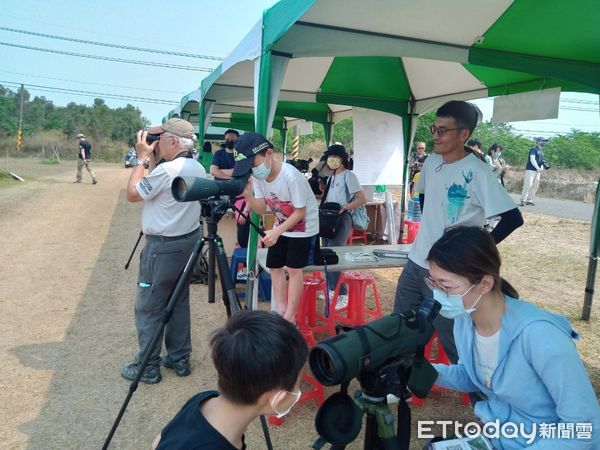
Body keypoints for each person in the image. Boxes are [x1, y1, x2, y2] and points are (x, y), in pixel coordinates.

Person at [427, 226, 600, 449]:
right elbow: (476, 375)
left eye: (446, 286)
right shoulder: (465, 320)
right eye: (433, 283)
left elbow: (586, 428)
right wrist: (423, 372)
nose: (438, 295)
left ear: (485, 284)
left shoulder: (541, 336)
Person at [393, 100, 523, 364]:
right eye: (434, 129)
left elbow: (513, 218)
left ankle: (481, 397)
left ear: (464, 134)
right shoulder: (430, 163)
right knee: (401, 330)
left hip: (450, 274)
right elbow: (428, 200)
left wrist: (475, 249)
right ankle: (400, 384)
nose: (435, 136)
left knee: (455, 342)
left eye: (443, 130)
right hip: (417, 262)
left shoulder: (478, 172)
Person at [121, 118, 206, 384]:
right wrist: (153, 158)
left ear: (171, 141)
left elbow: (133, 194)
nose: (154, 144)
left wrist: (140, 159)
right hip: (188, 242)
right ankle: (179, 358)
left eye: (159, 139)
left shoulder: (167, 171)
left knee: (149, 306)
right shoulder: (198, 167)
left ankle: (147, 366)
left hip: (162, 247)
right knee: (177, 301)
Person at [152, 310, 309, 449]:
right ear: (278, 398)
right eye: (297, 385)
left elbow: (157, 443)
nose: (298, 391)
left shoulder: (203, 400)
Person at [234, 132, 319, 322]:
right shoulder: (258, 177)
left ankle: (290, 314)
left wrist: (277, 231)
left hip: (303, 227)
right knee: (274, 265)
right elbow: (261, 209)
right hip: (282, 224)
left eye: (254, 164)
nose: (253, 170)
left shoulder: (290, 176)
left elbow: (300, 212)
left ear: (269, 154)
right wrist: (248, 196)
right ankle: (280, 309)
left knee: (294, 269)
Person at [320, 144, 367, 307]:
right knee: (326, 253)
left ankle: (342, 293)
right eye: (328, 157)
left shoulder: (349, 176)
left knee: (335, 254)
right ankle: (332, 289)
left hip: (342, 218)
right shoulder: (331, 177)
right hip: (328, 218)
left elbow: (362, 198)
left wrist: (345, 207)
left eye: (334, 157)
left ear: (342, 159)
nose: (330, 160)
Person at [520, 136, 547, 206]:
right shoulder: (533, 149)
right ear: (538, 141)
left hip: (537, 171)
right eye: (542, 141)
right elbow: (532, 159)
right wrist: (537, 167)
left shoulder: (541, 151)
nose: (544, 142)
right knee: (528, 185)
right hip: (530, 169)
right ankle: (523, 200)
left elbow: (541, 161)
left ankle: (529, 200)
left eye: (544, 141)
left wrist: (541, 168)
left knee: (535, 185)